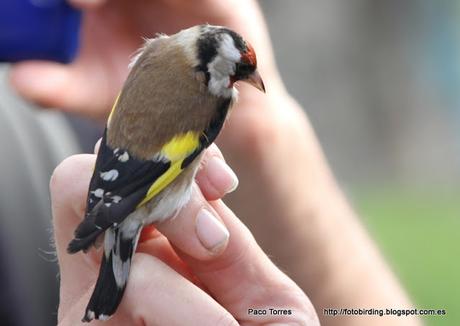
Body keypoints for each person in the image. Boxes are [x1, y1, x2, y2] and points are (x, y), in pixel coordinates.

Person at [10, 0, 421, 325]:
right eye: (242, 73)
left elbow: (120, 128)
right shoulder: (208, 101)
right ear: (215, 65)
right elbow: (166, 163)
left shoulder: (155, 50)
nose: (250, 81)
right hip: (142, 192)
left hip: (115, 172)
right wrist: (115, 207)